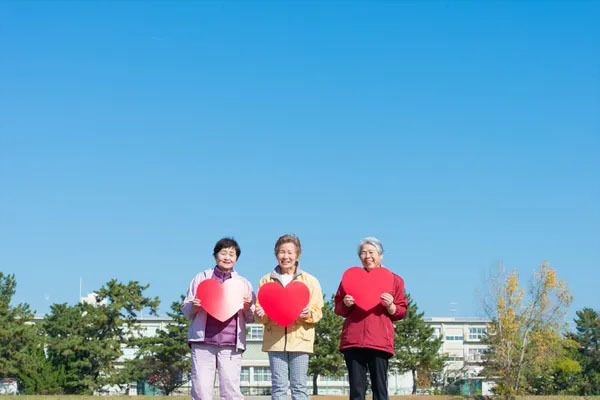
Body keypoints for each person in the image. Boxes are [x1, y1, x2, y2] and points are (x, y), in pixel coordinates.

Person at [334, 237, 408, 400]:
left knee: (380, 389)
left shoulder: (394, 280)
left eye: (371, 252)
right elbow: (338, 308)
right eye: (363, 253)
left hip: (380, 341)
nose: (367, 256)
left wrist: (391, 306)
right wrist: (346, 304)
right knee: (356, 390)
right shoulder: (350, 279)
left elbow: (402, 310)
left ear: (381, 255)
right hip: (353, 340)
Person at [181, 237, 255, 400]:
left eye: (232, 254)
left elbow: (251, 317)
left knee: (231, 390)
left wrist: (249, 307)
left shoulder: (243, 284)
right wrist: (195, 306)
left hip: (231, 345)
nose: (227, 257)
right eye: (223, 253)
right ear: (215, 255)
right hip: (203, 342)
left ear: (236, 259)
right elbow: (186, 311)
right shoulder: (201, 278)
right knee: (201, 389)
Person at [255, 234, 324, 400]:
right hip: (275, 342)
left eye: (290, 252)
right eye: (281, 252)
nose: (286, 256)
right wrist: (261, 315)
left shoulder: (310, 281)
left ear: (297, 254)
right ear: (276, 254)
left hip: (300, 341)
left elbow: (318, 311)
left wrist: (308, 315)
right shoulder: (266, 280)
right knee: (278, 387)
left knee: (299, 387)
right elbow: (259, 311)